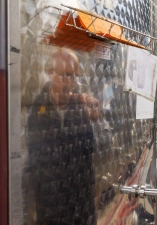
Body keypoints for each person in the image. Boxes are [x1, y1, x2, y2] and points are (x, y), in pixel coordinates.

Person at [26, 48, 99, 225]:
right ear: (51, 74)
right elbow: (39, 164)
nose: (71, 83)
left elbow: (93, 150)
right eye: (66, 75)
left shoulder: (79, 107)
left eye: (74, 77)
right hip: (53, 212)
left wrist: (95, 121)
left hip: (83, 209)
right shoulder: (38, 110)